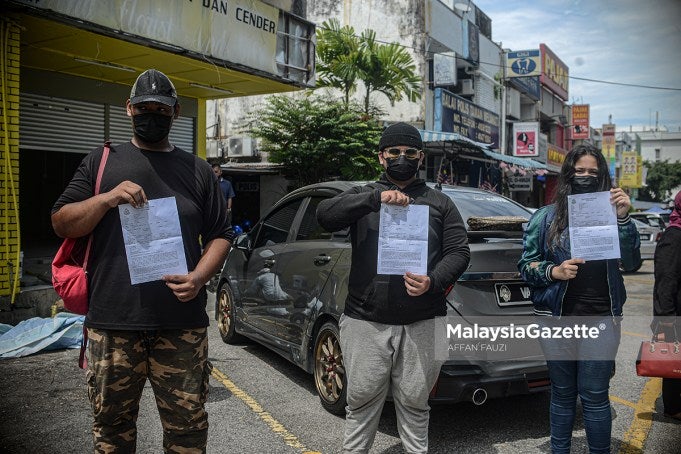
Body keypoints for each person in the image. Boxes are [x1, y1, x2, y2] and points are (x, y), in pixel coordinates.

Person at [51, 69, 232, 453]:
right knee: (112, 431)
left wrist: (199, 277)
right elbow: (62, 221)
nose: (151, 114)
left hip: (180, 323)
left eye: (161, 109)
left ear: (176, 112)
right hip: (114, 322)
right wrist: (105, 199)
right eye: (143, 107)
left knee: (188, 430)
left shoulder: (198, 169)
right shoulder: (102, 162)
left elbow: (221, 234)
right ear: (128, 109)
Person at [316, 122, 470, 453]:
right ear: (382, 158)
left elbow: (459, 252)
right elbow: (324, 215)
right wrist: (376, 198)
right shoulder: (364, 195)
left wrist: (433, 280)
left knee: (416, 405)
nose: (403, 157)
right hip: (365, 320)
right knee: (360, 402)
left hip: (425, 320)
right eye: (395, 152)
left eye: (410, 152)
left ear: (420, 157)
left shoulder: (440, 203)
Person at [518, 144, 640, 454]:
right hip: (557, 319)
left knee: (595, 395)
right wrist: (553, 271)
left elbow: (633, 262)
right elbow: (526, 265)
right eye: (579, 170)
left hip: (601, 317)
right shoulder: (546, 217)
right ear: (568, 173)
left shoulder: (613, 214)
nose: (585, 176)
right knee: (561, 393)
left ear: (602, 178)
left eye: (593, 172)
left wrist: (624, 220)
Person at [653, 190, 681, 420]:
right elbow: (666, 279)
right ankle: (673, 407)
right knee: (674, 362)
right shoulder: (674, 235)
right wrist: (665, 320)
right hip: (674, 315)